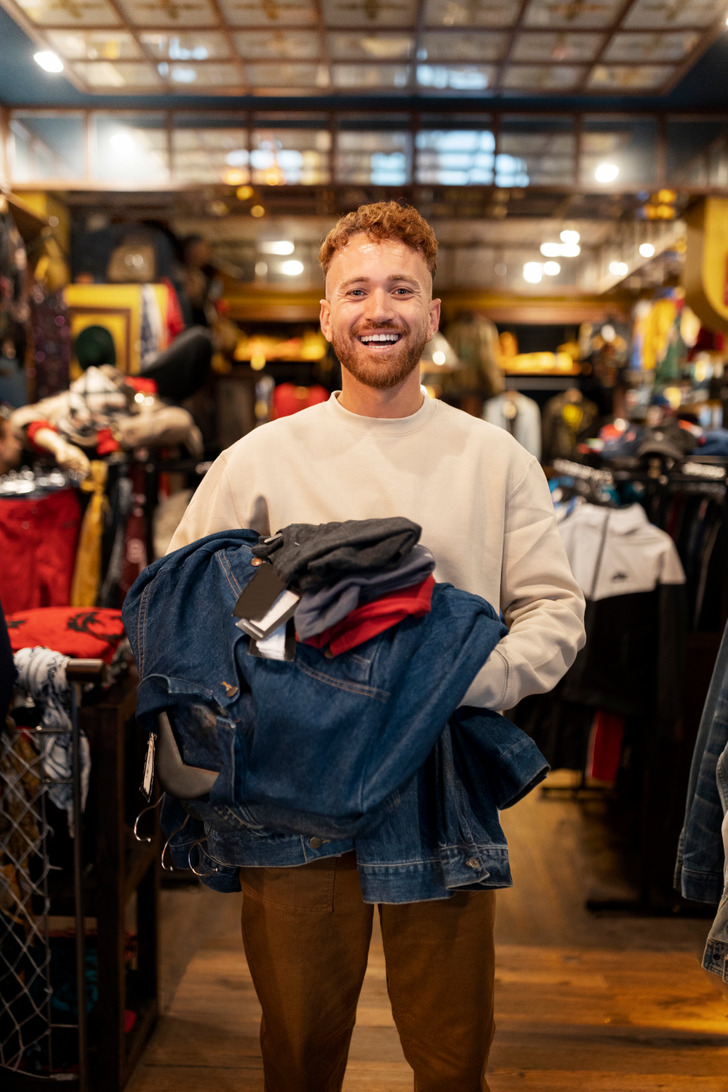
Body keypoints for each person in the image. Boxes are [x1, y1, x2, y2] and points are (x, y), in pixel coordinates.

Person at [166, 200, 586, 1091]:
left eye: (401, 288)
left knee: (451, 1056)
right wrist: (287, 665)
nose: (378, 308)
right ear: (327, 315)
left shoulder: (495, 459)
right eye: (355, 290)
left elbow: (554, 612)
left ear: (433, 313)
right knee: (298, 1049)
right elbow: (198, 606)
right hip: (293, 778)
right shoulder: (259, 459)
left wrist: (454, 683)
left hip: (440, 771)